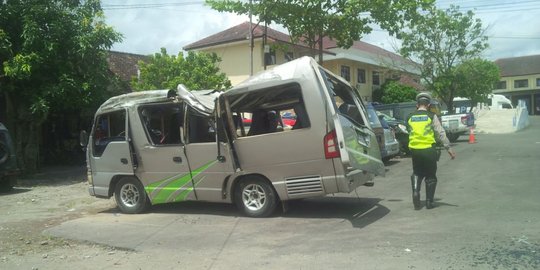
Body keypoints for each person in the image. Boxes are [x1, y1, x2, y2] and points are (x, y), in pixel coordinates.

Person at [407, 92, 456, 209]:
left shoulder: (410, 117)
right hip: (429, 149)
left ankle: (415, 192)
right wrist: (448, 148)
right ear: (428, 105)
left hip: (415, 150)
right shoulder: (431, 116)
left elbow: (409, 132)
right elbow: (440, 133)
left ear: (417, 105)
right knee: (430, 175)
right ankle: (429, 202)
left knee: (417, 172)